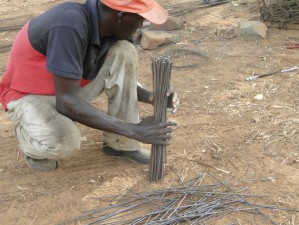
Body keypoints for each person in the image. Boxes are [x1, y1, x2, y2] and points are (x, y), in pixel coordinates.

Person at [0, 0, 179, 171]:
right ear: (121, 16)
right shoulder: (68, 25)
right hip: (28, 95)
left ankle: (121, 144)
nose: (141, 25)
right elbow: (67, 103)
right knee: (64, 143)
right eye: (140, 19)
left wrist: (152, 96)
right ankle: (30, 137)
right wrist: (136, 130)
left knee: (123, 51)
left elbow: (119, 76)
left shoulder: (110, 28)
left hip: (67, 88)